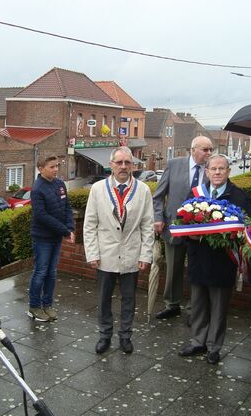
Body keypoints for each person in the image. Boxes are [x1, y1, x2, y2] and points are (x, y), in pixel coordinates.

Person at [179, 155, 251, 364]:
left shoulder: (239, 197)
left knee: (219, 307)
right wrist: (189, 236)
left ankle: (214, 346)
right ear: (207, 172)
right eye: (214, 169)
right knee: (198, 303)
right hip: (199, 258)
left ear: (229, 171)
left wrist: (233, 236)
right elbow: (181, 221)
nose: (218, 172)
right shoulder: (195, 195)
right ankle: (197, 341)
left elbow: (247, 229)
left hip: (223, 261)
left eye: (222, 169)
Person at [84, 146, 154, 354]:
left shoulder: (143, 190)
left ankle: (125, 336)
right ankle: (105, 335)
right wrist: (93, 253)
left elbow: (147, 225)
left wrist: (145, 255)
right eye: (119, 162)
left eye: (127, 163)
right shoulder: (97, 189)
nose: (123, 167)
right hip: (105, 253)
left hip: (131, 253)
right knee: (104, 298)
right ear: (111, 164)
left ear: (133, 165)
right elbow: (90, 225)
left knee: (129, 298)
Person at [152, 136, 214, 319]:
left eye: (211, 150)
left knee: (198, 269)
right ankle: (172, 304)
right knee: (173, 268)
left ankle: (195, 309)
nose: (209, 153)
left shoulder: (213, 170)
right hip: (174, 226)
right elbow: (158, 195)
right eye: (205, 149)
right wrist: (158, 218)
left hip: (200, 230)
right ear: (193, 149)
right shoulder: (173, 164)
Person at [28, 155, 75, 322]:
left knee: (52, 273)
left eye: (57, 166)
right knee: (40, 272)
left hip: (56, 237)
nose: (56, 169)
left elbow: (67, 207)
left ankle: (47, 304)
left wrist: (70, 228)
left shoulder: (60, 184)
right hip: (42, 238)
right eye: (52, 167)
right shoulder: (37, 188)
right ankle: (34, 307)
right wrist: (64, 230)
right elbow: (41, 216)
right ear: (41, 169)